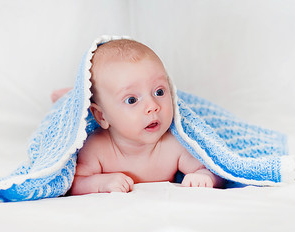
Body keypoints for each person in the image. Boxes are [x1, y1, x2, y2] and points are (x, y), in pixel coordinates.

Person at [52, 39, 224, 195]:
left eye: (159, 92)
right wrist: (100, 183)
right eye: (132, 100)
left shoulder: (173, 145)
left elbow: (215, 168)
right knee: (70, 101)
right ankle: (66, 97)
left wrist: (204, 176)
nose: (152, 106)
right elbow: (71, 183)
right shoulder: (97, 149)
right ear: (101, 117)